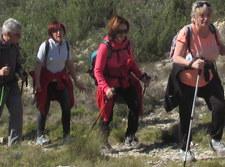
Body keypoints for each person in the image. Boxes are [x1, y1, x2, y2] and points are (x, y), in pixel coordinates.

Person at [170, 0, 225, 162]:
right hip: (188, 78)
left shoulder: (213, 30)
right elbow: (176, 58)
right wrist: (191, 63)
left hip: (208, 76)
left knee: (219, 105)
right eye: (201, 15)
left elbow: (219, 49)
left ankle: (215, 140)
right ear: (194, 16)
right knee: (187, 114)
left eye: (208, 15)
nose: (205, 19)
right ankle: (185, 149)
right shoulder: (186, 32)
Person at [93, 15, 149, 150]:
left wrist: (141, 77)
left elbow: (131, 63)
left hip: (124, 81)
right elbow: (98, 71)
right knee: (107, 113)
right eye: (119, 31)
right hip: (109, 83)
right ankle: (103, 142)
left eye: (125, 31)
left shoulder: (127, 44)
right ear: (112, 30)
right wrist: (106, 89)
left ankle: (130, 136)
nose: (122, 35)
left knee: (135, 105)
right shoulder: (105, 47)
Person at [32, 21, 84, 145]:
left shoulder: (66, 45)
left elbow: (69, 64)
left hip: (60, 79)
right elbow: (38, 66)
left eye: (61, 30)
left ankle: (66, 134)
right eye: (55, 31)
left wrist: (76, 80)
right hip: (47, 81)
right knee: (43, 107)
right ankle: (40, 136)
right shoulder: (45, 46)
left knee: (66, 106)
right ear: (51, 33)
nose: (59, 33)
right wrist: (37, 82)